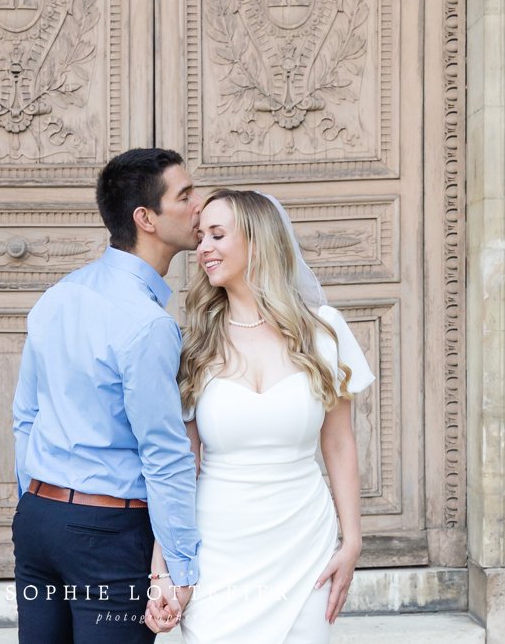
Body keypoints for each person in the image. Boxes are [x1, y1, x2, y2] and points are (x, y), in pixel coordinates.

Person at [147, 187, 374, 644]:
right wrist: (162, 571)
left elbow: (339, 443)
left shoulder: (324, 331)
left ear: (257, 240)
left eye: (217, 235)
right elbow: (180, 465)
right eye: (200, 236)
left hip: (303, 543)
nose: (202, 248)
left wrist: (351, 542)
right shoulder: (195, 346)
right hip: (219, 548)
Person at [11, 147, 203, 643]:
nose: (198, 205)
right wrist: (179, 570)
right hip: (106, 534)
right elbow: (164, 453)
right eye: (185, 195)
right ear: (147, 219)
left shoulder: (57, 296)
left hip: (39, 521)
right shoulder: (147, 324)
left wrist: (33, 503)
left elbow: (25, 417)